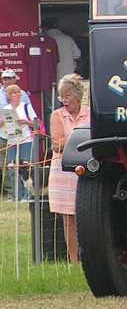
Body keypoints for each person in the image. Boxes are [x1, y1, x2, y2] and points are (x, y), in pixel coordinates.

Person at [48, 74, 89, 263]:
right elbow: (56, 145)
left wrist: (71, 139)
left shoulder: (90, 113)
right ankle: (74, 260)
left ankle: (90, 257)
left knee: (87, 216)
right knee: (69, 219)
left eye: (67, 96)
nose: (63, 100)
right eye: (61, 96)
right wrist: (78, 138)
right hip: (63, 171)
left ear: (78, 96)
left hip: (86, 169)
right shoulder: (56, 116)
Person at [0, 84, 38, 201]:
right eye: (13, 93)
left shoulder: (26, 107)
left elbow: (36, 123)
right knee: (12, 168)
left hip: (26, 140)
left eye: (18, 93)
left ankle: (27, 195)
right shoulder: (5, 109)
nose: (17, 95)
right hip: (11, 141)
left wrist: (26, 122)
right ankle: (15, 195)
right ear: (9, 96)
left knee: (25, 167)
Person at [41, 18, 81, 82]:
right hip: (67, 76)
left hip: (47, 76)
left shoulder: (43, 40)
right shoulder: (68, 39)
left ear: (44, 27)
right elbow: (77, 55)